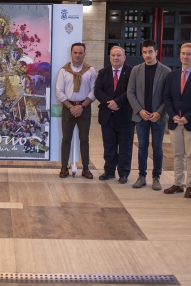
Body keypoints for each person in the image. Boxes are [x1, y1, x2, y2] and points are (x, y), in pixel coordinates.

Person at [162, 43, 191, 198]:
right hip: (175, 122)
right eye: (183, 53)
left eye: (189, 54)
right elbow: (167, 97)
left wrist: (187, 117)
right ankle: (178, 183)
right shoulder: (172, 75)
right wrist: (173, 114)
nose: (185, 56)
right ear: (179, 55)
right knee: (177, 154)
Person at [127, 40, 171, 191]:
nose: (147, 55)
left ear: (156, 52)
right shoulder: (136, 70)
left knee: (157, 148)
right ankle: (142, 176)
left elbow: (168, 95)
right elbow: (130, 92)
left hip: (158, 117)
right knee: (142, 147)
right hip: (141, 116)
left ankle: (156, 177)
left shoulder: (166, 71)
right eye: (145, 52)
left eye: (150, 51)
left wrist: (159, 112)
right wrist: (140, 110)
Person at [55, 42, 96, 180]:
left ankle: (85, 169)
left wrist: (82, 106)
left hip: (84, 108)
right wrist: (72, 107)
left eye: (80, 53)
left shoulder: (90, 71)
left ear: (85, 54)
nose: (78, 55)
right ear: (71, 53)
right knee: (66, 139)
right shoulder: (63, 71)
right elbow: (59, 92)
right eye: (75, 52)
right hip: (68, 109)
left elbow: (93, 91)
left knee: (84, 139)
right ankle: (64, 168)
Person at [94, 45, 133, 183]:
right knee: (109, 146)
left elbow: (131, 91)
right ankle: (109, 171)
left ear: (124, 57)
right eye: (113, 55)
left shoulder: (131, 72)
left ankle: (123, 173)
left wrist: (118, 102)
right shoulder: (103, 72)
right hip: (107, 116)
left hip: (125, 116)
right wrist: (109, 103)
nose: (116, 58)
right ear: (109, 57)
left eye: (118, 55)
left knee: (125, 147)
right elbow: (97, 90)